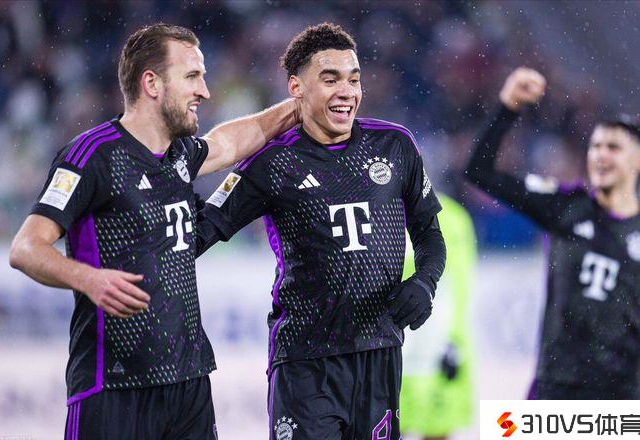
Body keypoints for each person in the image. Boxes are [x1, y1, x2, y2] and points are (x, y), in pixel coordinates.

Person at [9, 23, 300, 439]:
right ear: (152, 84)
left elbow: (231, 142)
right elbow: (25, 248)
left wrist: (299, 105)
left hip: (189, 384)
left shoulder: (180, 154)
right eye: (192, 76)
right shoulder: (92, 156)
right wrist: (88, 278)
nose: (205, 91)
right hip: (112, 387)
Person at [196, 23, 446, 439]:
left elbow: (429, 234)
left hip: (379, 352)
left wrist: (425, 281)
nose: (346, 91)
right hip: (305, 360)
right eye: (330, 80)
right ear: (296, 88)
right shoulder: (272, 163)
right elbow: (199, 234)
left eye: (354, 79)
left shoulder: (395, 145)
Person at [465, 67, 640, 399]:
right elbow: (480, 172)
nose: (600, 155)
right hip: (555, 391)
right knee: (508, 425)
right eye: (596, 146)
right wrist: (508, 107)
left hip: (622, 399)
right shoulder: (567, 207)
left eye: (614, 147)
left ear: (637, 161)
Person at [400, 193, 476, 440]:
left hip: (435, 351)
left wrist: (452, 343)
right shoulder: (371, 209)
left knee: (436, 430)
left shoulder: (452, 218)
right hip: (390, 350)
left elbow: (457, 287)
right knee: (383, 428)